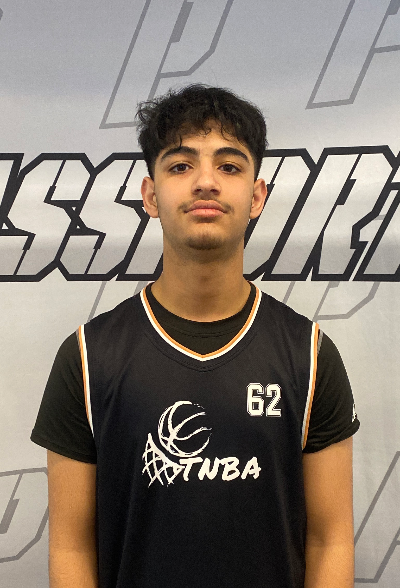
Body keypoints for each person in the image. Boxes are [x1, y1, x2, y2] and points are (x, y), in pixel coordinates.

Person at [31, 84, 360, 588]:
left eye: (228, 166)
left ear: (256, 196)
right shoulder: (88, 356)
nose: (206, 182)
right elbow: (71, 547)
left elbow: (330, 540)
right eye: (181, 165)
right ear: (150, 195)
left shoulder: (310, 356)